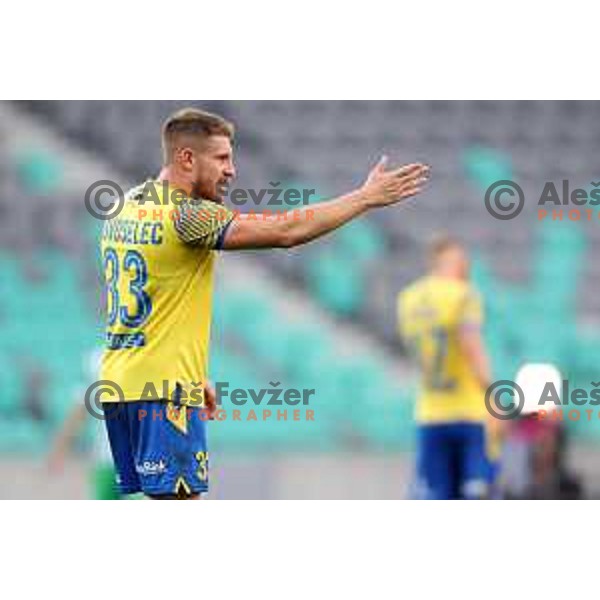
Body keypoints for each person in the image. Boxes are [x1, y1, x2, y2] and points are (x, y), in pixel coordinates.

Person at [100, 107, 429, 499]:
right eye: (221, 158)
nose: (232, 170)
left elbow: (154, 289)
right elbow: (286, 231)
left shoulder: (124, 205)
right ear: (187, 158)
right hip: (165, 394)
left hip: (121, 385)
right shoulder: (187, 216)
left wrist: (191, 369)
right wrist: (364, 198)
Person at [398, 234, 493, 499]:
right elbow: (471, 345)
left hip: (430, 413)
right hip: (469, 413)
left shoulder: (408, 298)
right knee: (476, 495)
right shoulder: (463, 294)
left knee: (436, 497)